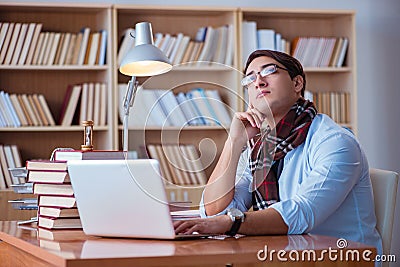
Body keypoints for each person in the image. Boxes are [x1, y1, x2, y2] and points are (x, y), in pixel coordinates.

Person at [174, 50, 382, 253]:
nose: (258, 82)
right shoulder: (259, 148)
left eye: (269, 71)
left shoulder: (334, 141)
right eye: (250, 78)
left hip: (342, 259)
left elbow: (302, 213)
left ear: (297, 83)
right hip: (283, 254)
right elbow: (214, 211)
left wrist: (231, 222)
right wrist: (234, 142)